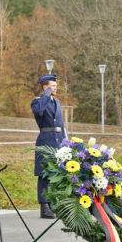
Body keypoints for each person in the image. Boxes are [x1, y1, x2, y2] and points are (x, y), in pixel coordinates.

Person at [31, 74, 67, 219]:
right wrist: (46, 94)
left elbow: (61, 124)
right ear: (45, 87)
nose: (55, 88)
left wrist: (66, 144)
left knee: (56, 173)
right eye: (52, 86)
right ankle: (44, 206)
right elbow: (39, 111)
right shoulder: (37, 101)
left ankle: (53, 203)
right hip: (45, 141)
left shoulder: (56, 102)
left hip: (58, 141)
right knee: (44, 174)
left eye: (56, 86)